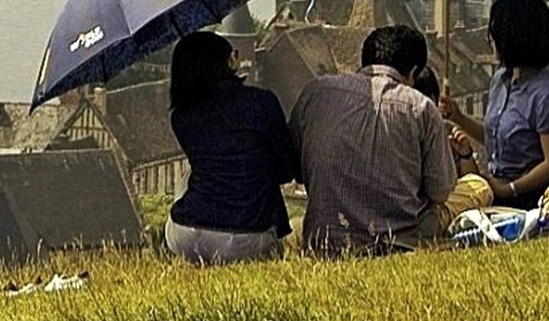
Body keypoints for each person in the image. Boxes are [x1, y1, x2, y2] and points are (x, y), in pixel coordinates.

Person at [294, 24, 457, 257]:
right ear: (412, 72)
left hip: (326, 244)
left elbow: (296, 166)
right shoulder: (420, 108)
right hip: (401, 244)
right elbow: (440, 192)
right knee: (476, 187)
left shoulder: (316, 92)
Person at [161, 30, 296, 265]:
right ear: (224, 63)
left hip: (184, 234)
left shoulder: (181, 116)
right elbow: (285, 170)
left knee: (191, 173)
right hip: (245, 239)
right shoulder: (262, 102)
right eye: (230, 56)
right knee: (257, 173)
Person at [442, 0, 549, 208]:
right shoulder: (500, 80)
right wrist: (458, 117)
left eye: (495, 33)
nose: (490, 40)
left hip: (537, 198)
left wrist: (510, 189)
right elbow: (496, 138)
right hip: (500, 189)